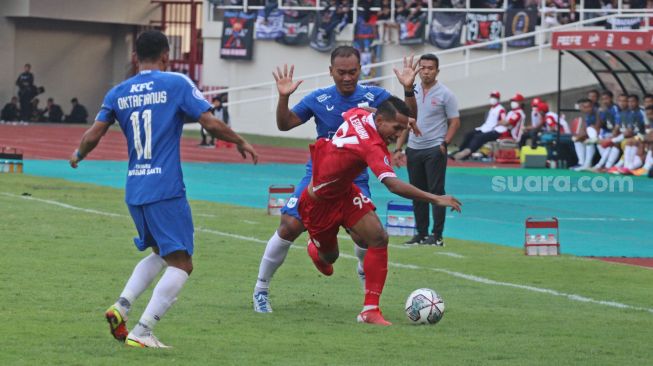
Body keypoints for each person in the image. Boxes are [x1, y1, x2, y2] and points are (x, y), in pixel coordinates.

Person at [69, 30, 258, 348]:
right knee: (183, 263)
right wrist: (239, 141)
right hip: (165, 188)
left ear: (135, 57)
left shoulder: (119, 92)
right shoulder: (176, 83)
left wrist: (78, 155)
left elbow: (94, 133)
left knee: (160, 252)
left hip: (136, 188)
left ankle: (122, 306)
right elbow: (210, 123)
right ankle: (143, 332)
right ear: (166, 55)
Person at [252, 46, 392, 314]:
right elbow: (285, 124)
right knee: (289, 225)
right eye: (341, 73)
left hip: (355, 181)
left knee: (367, 237)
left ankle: (366, 283)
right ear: (331, 72)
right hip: (317, 179)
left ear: (360, 70)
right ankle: (260, 290)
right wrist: (283, 98)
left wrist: (409, 91)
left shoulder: (377, 96)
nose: (347, 78)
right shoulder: (319, 98)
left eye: (352, 72)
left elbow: (403, 115)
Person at [300, 98, 461, 325]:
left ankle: (370, 310)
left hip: (345, 192)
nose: (398, 135)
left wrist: (408, 119)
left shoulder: (361, 113)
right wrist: (435, 197)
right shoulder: (372, 146)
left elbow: (363, 110)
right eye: (396, 129)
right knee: (329, 258)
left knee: (378, 237)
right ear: (380, 121)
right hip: (318, 203)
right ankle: (315, 248)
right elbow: (393, 185)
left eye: (402, 129)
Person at [391, 54, 461, 246]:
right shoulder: (410, 91)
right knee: (417, 192)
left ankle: (437, 235)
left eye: (430, 68)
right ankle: (420, 233)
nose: (426, 71)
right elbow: (406, 121)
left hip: (434, 148)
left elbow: (454, 121)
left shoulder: (445, 94)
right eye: (423, 67)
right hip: (414, 148)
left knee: (436, 191)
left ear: (437, 71)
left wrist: (444, 143)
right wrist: (398, 148)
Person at [453, 93, 525, 161]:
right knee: (474, 136)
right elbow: (504, 122)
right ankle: (464, 151)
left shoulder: (518, 113)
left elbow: (506, 122)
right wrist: (501, 123)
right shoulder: (512, 112)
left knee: (479, 137)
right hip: (503, 131)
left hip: (508, 134)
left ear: (520, 102)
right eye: (513, 101)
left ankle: (467, 152)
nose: (513, 102)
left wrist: (500, 123)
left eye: (515, 101)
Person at [455, 91, 505, 159]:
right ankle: (460, 150)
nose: (492, 99)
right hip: (485, 128)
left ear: (498, 99)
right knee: (469, 134)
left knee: (478, 137)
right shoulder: (492, 109)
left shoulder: (501, 109)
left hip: (493, 130)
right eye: (492, 97)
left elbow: (503, 120)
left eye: (494, 97)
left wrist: (497, 124)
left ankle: (467, 152)